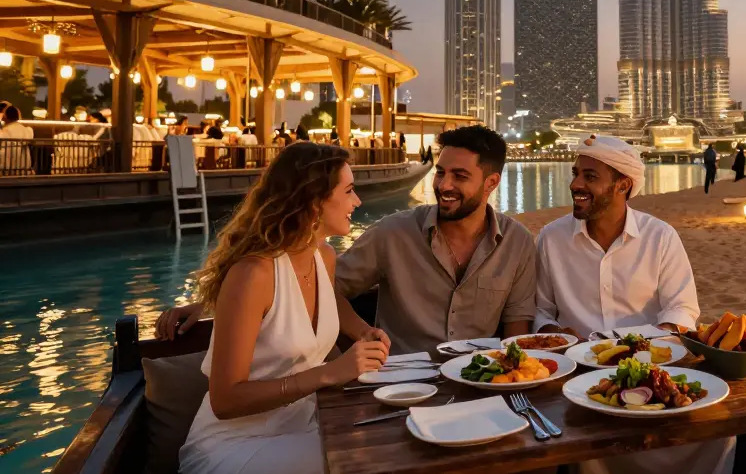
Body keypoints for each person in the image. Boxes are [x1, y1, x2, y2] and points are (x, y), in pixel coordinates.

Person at [158, 125, 537, 356]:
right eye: (440, 173)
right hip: (398, 386)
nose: (444, 185)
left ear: (491, 183)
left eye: (459, 176)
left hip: (478, 383)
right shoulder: (394, 233)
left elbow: (516, 331)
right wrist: (211, 304)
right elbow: (312, 286)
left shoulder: (518, 243)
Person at [178, 143, 389, 474]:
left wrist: (362, 330)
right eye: (349, 191)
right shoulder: (254, 274)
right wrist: (330, 373)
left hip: (305, 426)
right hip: (235, 446)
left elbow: (330, 300)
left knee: (392, 440)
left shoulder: (324, 257)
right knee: (366, 464)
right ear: (314, 199)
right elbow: (225, 399)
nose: (358, 201)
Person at [536, 135, 732, 474]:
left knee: (718, 432)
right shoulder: (551, 239)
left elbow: (682, 311)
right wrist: (560, 336)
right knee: (587, 435)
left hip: (655, 367)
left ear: (623, 185)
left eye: (590, 177)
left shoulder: (660, 237)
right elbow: (541, 313)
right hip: (578, 374)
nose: (575, 185)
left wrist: (634, 347)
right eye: (575, 174)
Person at [0, 104, 34, 174]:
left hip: (8, 170)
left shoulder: (5, 131)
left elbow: (3, 153)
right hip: (23, 170)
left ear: (6, 116)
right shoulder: (26, 130)